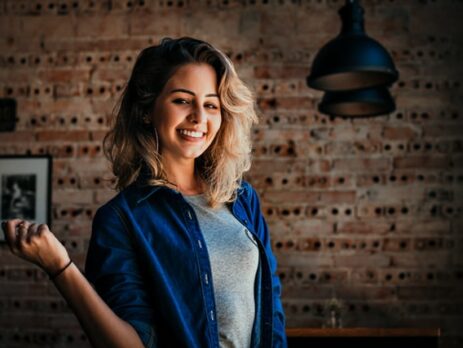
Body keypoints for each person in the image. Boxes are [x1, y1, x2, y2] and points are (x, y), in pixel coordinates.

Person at [1, 37, 287, 348]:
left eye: (211, 104)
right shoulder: (121, 219)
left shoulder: (242, 199)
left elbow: (273, 311)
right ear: (147, 110)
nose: (199, 117)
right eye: (182, 100)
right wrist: (60, 268)